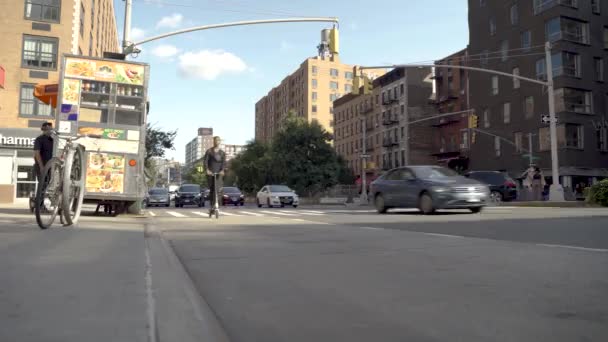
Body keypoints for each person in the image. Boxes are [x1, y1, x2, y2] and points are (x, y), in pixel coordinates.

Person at [203, 136, 226, 212]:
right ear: (213, 142)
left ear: (220, 142)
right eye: (216, 140)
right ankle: (212, 206)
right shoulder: (209, 151)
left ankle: (217, 204)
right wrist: (207, 170)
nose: (217, 142)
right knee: (212, 190)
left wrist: (222, 170)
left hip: (219, 173)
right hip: (210, 173)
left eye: (218, 141)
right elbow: (205, 162)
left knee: (218, 190)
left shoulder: (222, 153)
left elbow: (223, 163)